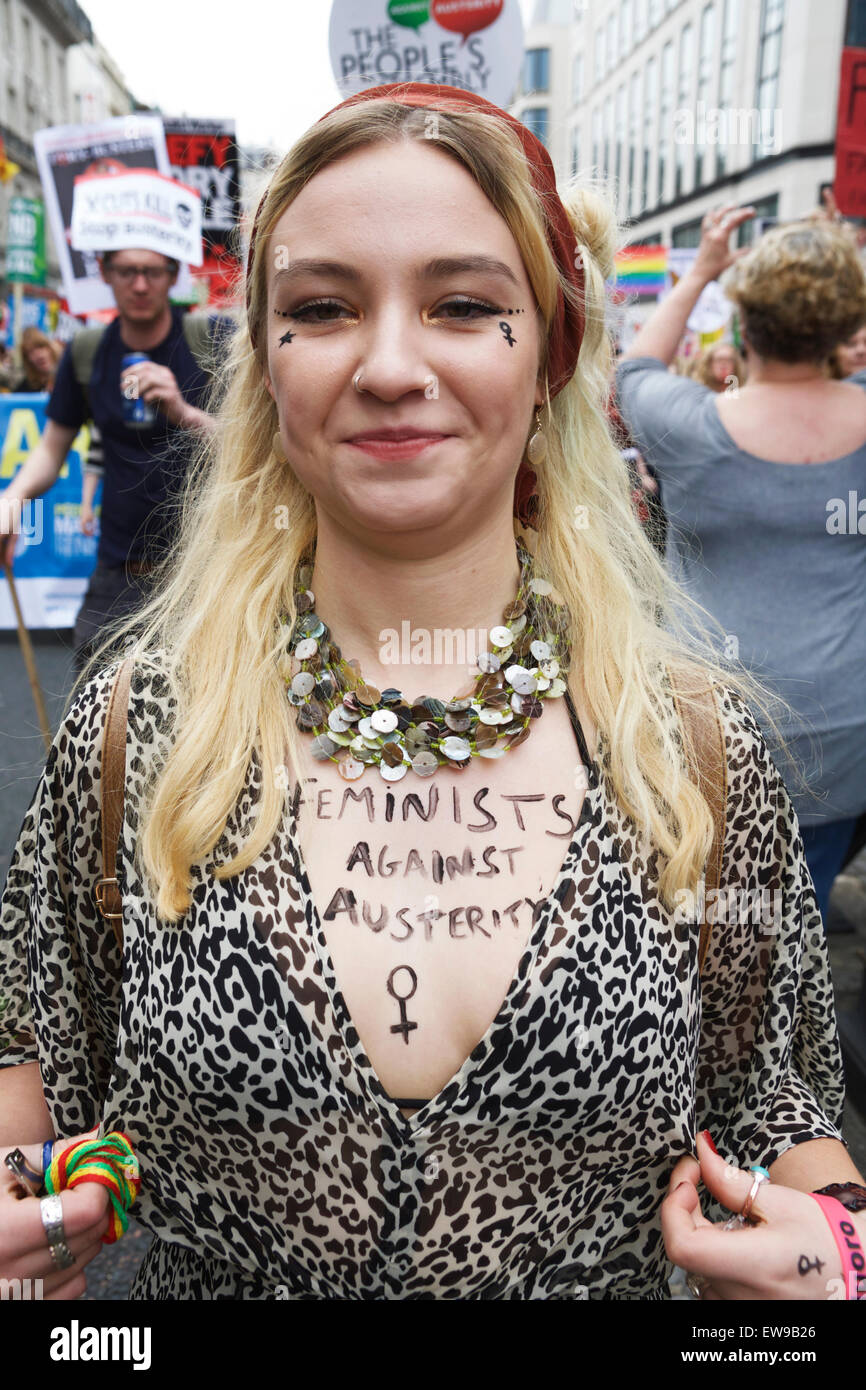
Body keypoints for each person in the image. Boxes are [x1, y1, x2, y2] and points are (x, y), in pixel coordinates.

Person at [1, 86, 864, 1303]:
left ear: (552, 351)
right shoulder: (142, 728)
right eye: (320, 308)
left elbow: (769, 1096)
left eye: (462, 305)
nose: (391, 365)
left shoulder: (690, 747)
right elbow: (39, 1047)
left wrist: (827, 1246)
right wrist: (36, 1226)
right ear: (267, 362)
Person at [616, 209, 866, 932]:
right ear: (842, 327)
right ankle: (781, 1027)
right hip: (841, 730)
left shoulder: (689, 427)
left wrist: (701, 271)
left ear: (742, 325)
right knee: (794, 919)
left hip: (708, 729)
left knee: (692, 909)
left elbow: (631, 367)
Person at [0, 248, 225, 674]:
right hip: (117, 570)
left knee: (191, 718)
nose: (140, 285)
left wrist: (184, 413)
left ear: (173, 273)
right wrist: (11, 500)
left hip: (201, 572)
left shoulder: (208, 340)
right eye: (127, 271)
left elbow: (251, 448)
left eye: (152, 271)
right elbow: (51, 449)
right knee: (93, 716)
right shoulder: (87, 351)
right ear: (104, 272)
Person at [10, 326, 63, 394]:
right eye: (31, 351)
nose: (39, 355)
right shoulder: (24, 390)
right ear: (28, 359)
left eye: (41, 347)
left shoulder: (68, 378)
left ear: (50, 349)